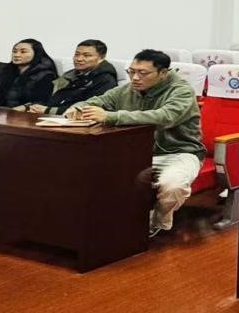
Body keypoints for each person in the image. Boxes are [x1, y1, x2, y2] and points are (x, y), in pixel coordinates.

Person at [67, 49, 205, 236]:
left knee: (173, 186)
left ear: (163, 73)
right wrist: (78, 108)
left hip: (178, 152)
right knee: (88, 173)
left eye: (143, 73)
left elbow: (165, 116)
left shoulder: (182, 91)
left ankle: (156, 223)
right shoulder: (127, 89)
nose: (135, 78)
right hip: (136, 152)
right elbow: (99, 101)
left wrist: (111, 117)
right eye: (131, 72)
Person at [23, 39, 117, 115]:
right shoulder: (70, 75)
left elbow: (90, 108)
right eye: (77, 54)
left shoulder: (106, 79)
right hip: (50, 116)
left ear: (101, 58)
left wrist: (48, 110)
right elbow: (50, 97)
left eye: (86, 55)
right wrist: (29, 106)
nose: (79, 59)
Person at [0, 38, 58, 108]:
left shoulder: (46, 75)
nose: (16, 55)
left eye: (23, 52)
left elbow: (41, 103)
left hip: (24, 118)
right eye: (14, 51)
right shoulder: (4, 72)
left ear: (36, 54)